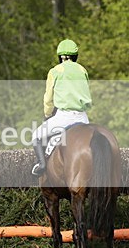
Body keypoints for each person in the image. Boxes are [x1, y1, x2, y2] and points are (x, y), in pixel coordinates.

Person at [31, 39, 92, 176]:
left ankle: (41, 165)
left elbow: (48, 98)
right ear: (75, 56)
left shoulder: (55, 71)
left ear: (60, 56)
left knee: (36, 136)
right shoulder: (83, 70)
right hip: (83, 118)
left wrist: (47, 114)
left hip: (64, 116)